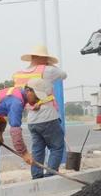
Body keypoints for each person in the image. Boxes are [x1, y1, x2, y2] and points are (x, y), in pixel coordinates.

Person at [13, 45, 67, 179]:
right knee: (57, 147)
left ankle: (37, 176)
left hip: (31, 120)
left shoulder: (19, 74)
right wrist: (49, 64)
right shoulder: (47, 70)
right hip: (47, 117)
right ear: (44, 58)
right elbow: (64, 74)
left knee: (38, 149)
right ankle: (50, 176)